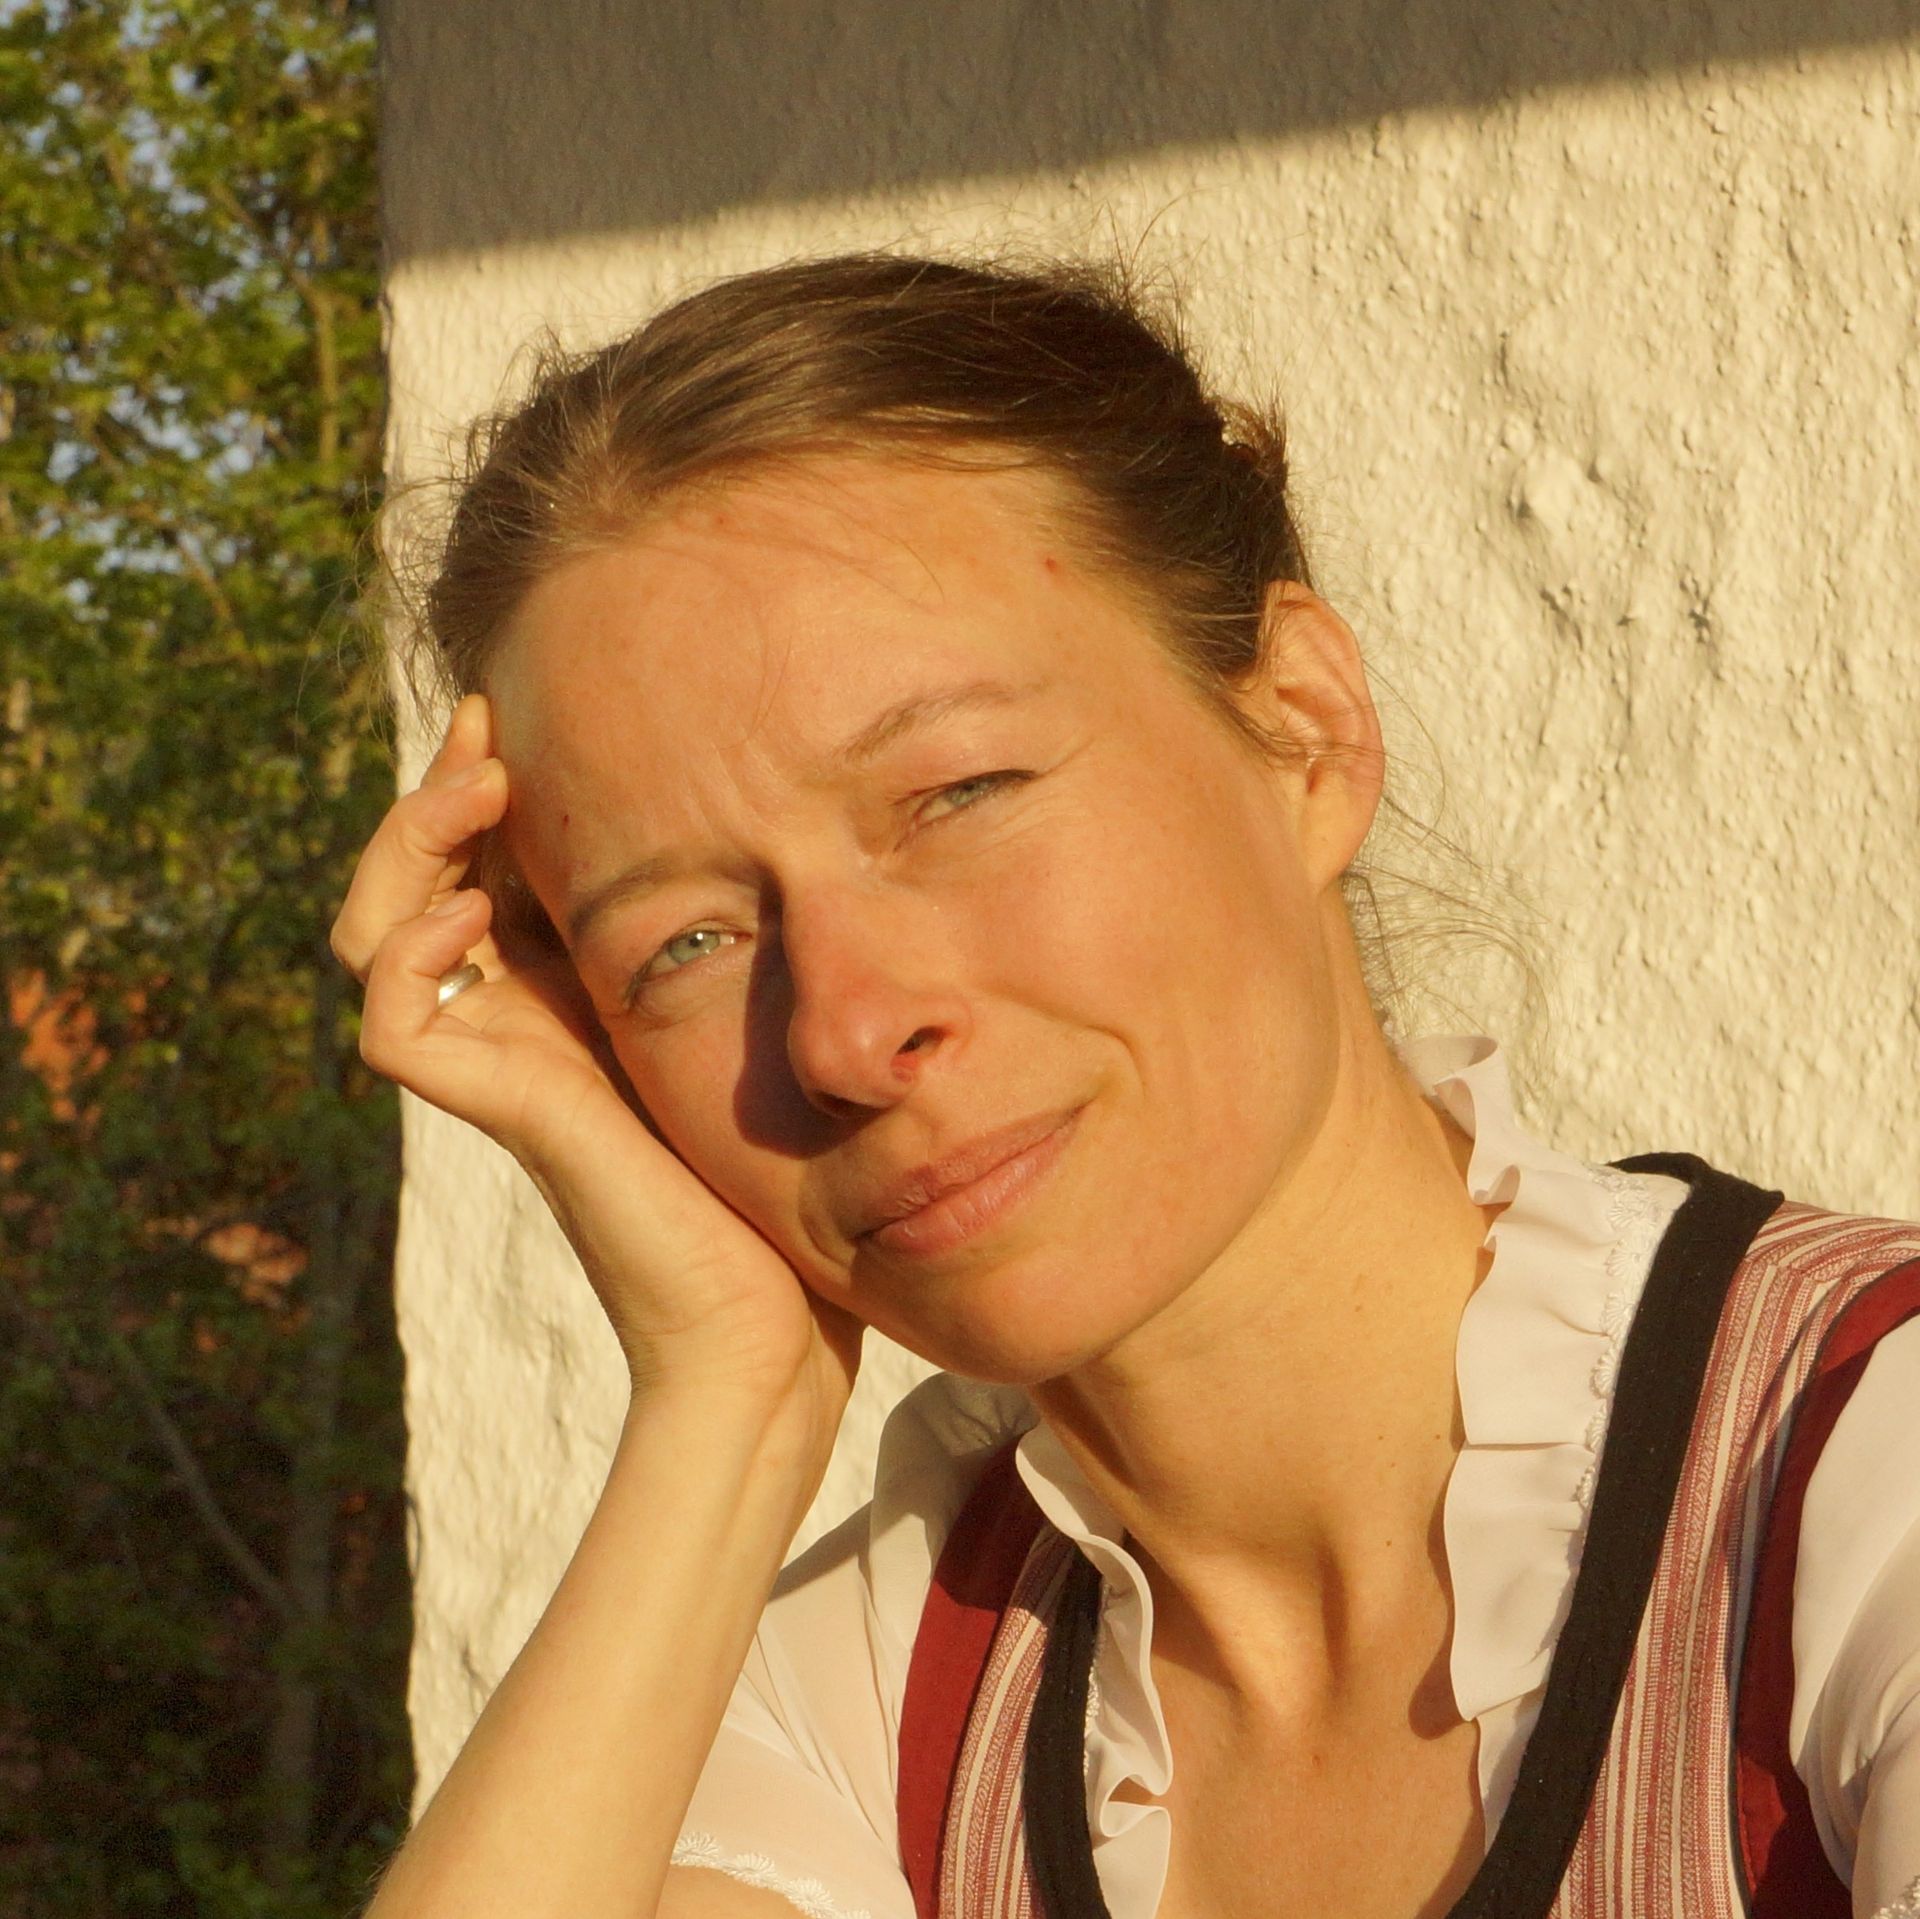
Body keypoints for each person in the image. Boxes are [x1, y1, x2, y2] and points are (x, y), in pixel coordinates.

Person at [332, 254, 1920, 1919]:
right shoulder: (880, 1691)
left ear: (1303, 733)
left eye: (956, 793)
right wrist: (721, 1406)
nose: (845, 1034)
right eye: (684, 943)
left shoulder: (1845, 1466)